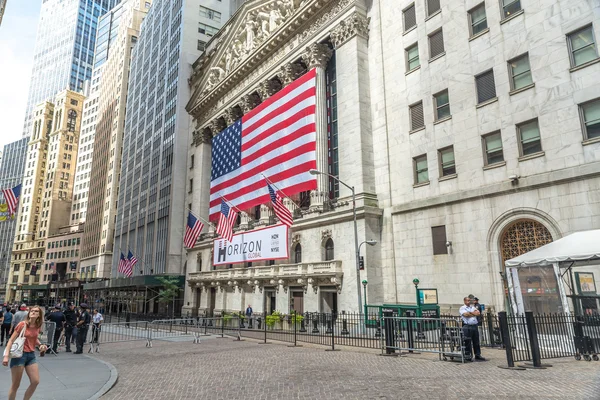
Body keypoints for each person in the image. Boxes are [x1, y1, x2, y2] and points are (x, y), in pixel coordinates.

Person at [2, 305, 47, 400]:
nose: (33, 312)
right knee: (15, 385)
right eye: (32, 311)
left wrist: (40, 345)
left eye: (36, 311)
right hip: (19, 355)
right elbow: (11, 340)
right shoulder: (22, 324)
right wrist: (6, 356)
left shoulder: (37, 326)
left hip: (31, 355)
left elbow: (34, 339)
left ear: (39, 315)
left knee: (35, 381)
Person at [459, 296, 485, 362]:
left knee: (476, 341)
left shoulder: (473, 307)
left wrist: (470, 313)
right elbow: (465, 315)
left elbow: (478, 313)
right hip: (467, 326)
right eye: (467, 300)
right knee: (467, 341)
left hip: (474, 325)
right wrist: (473, 313)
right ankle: (468, 355)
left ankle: (477, 355)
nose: (469, 302)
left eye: (469, 300)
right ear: (464, 301)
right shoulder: (462, 308)